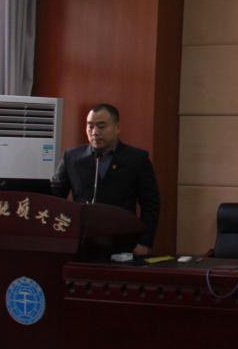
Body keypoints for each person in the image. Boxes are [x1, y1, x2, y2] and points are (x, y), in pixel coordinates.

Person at [51, 103, 160, 256]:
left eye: (101, 126)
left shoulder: (137, 159)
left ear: (117, 128)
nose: (94, 132)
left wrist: (144, 242)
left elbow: (150, 204)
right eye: (90, 126)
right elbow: (55, 196)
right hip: (81, 243)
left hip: (123, 243)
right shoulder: (72, 157)